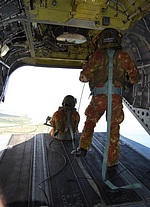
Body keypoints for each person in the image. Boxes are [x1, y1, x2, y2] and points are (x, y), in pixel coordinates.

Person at [71, 28, 140, 167]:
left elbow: (83, 78)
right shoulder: (124, 56)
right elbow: (135, 78)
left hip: (99, 98)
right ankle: (111, 161)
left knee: (90, 122)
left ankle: (83, 148)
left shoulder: (96, 56)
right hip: (115, 98)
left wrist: (85, 69)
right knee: (113, 128)